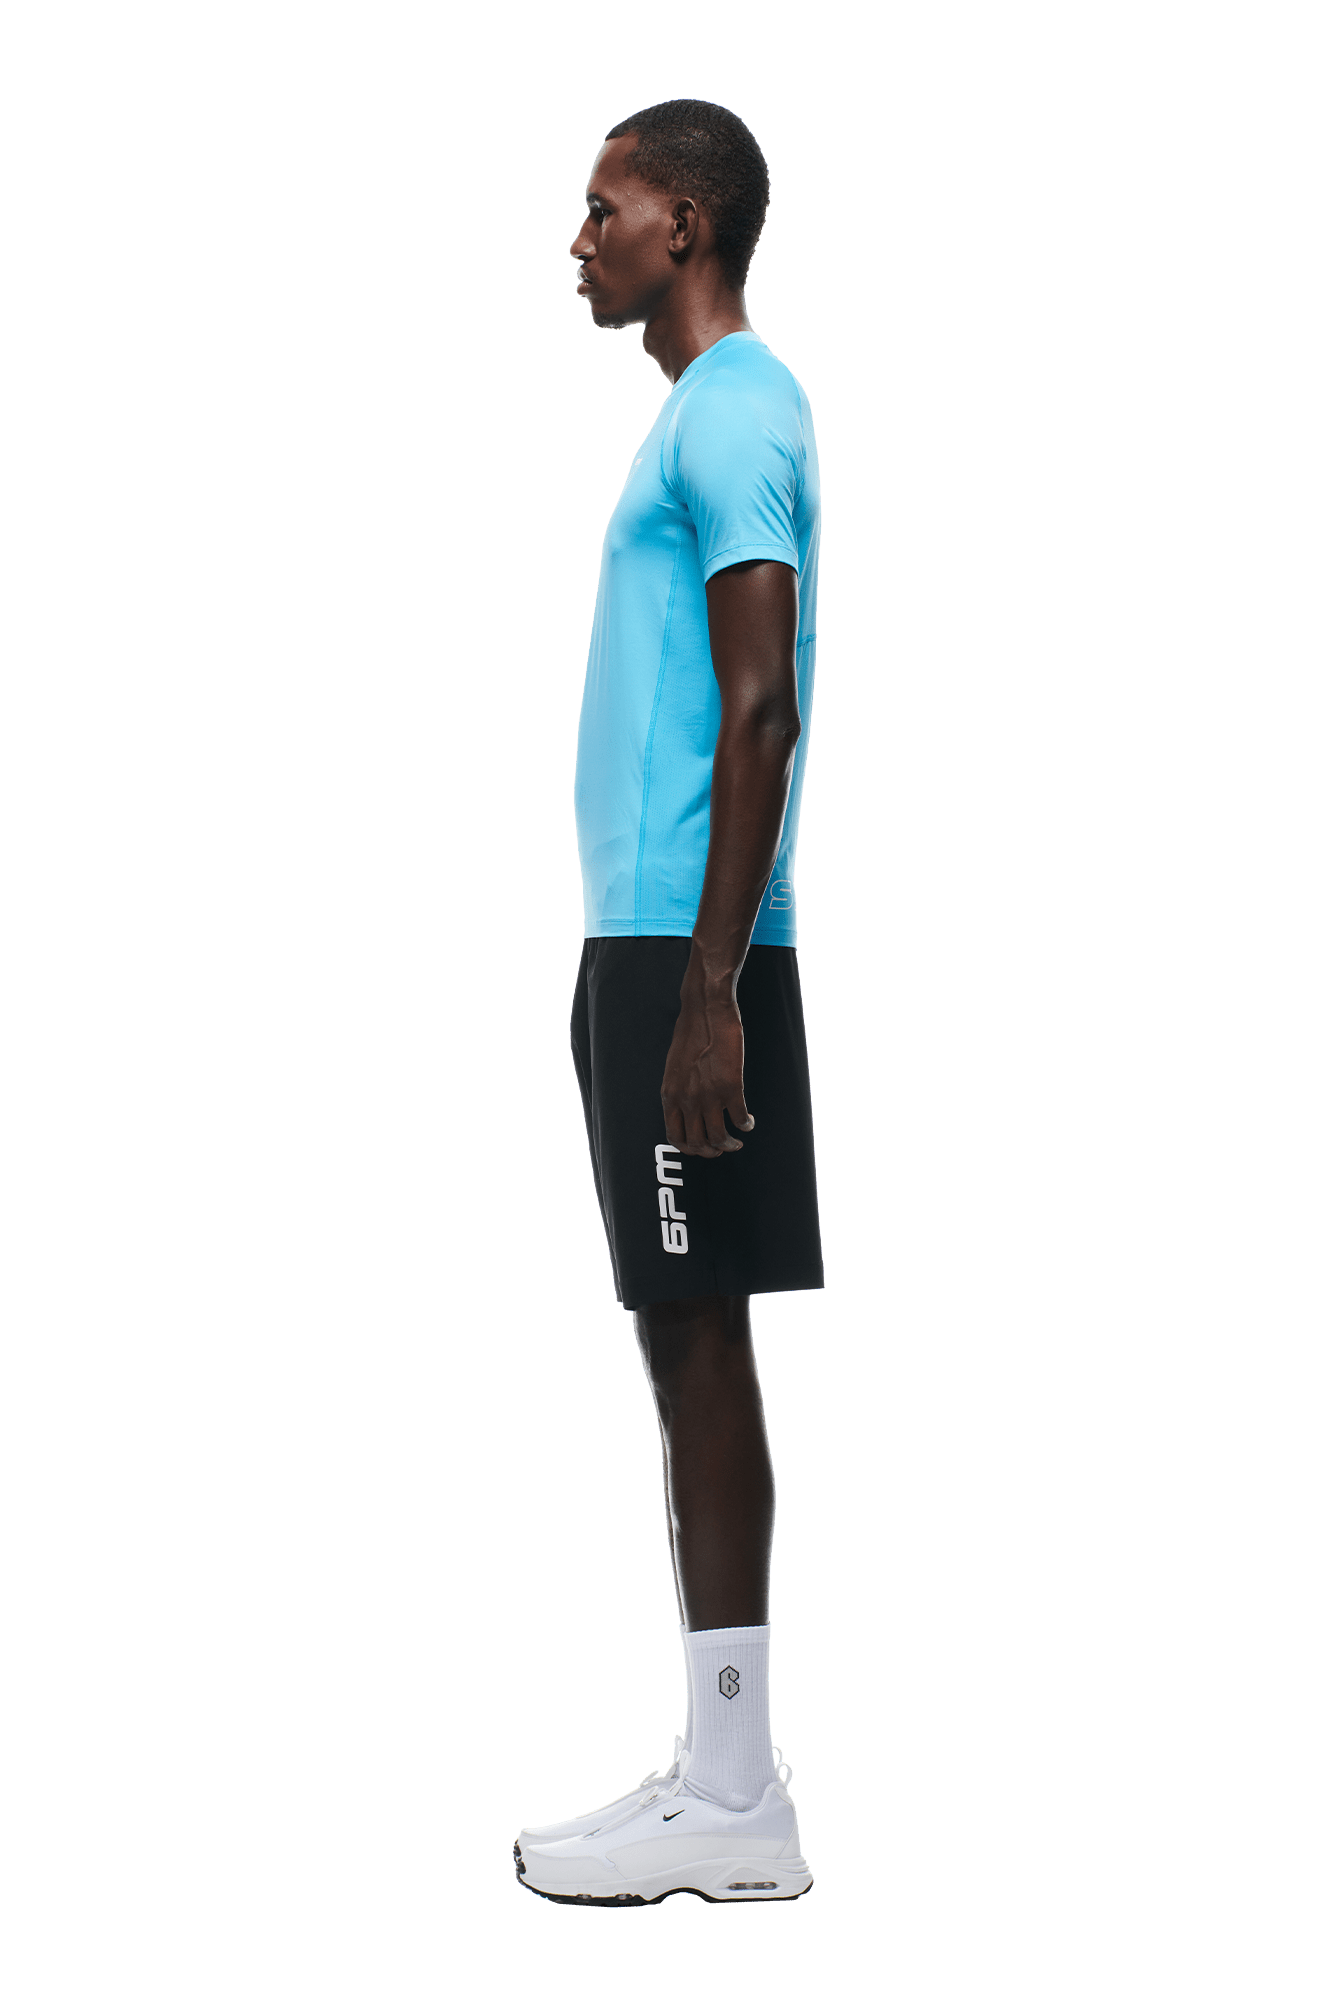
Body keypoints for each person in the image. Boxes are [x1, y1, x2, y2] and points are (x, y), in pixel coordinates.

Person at [513, 99, 823, 1908]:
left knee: (698, 1335)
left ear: (684, 224)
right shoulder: (698, 413)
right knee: (680, 1326)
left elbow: (762, 699)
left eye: (603, 209)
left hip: (683, 951)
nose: (581, 239)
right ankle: (721, 1773)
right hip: (648, 946)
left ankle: (734, 1791)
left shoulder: (739, 411)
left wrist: (707, 992)